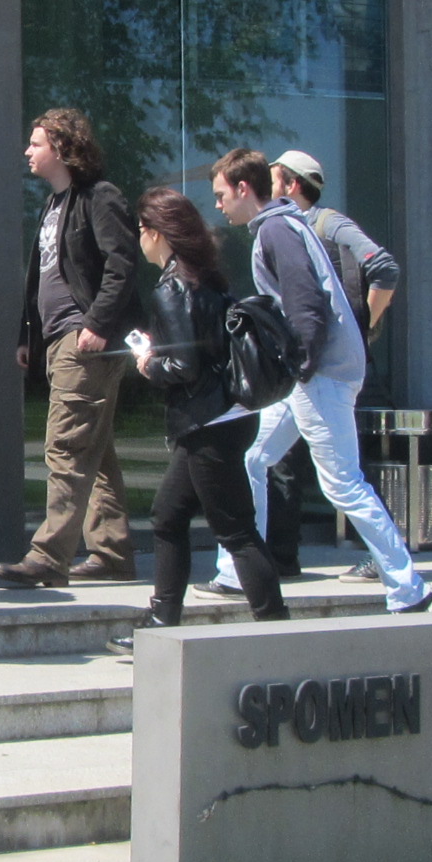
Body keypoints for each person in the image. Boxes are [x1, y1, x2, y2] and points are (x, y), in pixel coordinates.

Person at [208, 148, 432, 616]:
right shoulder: (284, 224)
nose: (217, 205)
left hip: (316, 376)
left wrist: (300, 365)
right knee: (251, 456)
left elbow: (306, 303)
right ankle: (237, 572)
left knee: (343, 484)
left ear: (243, 189)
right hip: (311, 375)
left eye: (220, 195)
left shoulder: (276, 230)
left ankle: (410, 588)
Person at [127, 188, 288, 628]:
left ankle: (277, 626)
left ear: (157, 233)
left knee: (236, 530)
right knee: (168, 515)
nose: (139, 239)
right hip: (227, 416)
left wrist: (149, 363)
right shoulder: (205, 277)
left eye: (141, 229)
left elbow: (185, 366)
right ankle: (163, 620)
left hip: (209, 422)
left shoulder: (171, 287)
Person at [0, 108, 140, 589]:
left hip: (85, 340)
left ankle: (48, 557)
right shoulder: (55, 204)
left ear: (60, 147)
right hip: (58, 338)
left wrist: (98, 323)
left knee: (67, 447)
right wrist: (27, 337)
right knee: (96, 450)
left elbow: (122, 264)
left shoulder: (100, 197)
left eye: (35, 143)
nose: (27, 152)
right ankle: (113, 553)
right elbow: (43, 278)